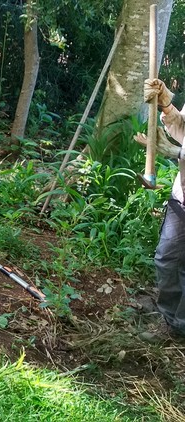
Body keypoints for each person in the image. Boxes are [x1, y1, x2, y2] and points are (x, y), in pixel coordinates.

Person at [134, 78, 185, 340]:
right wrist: (166, 104)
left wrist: (171, 151)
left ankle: (181, 325)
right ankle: (171, 323)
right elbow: (183, 130)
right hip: (182, 195)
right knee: (167, 259)